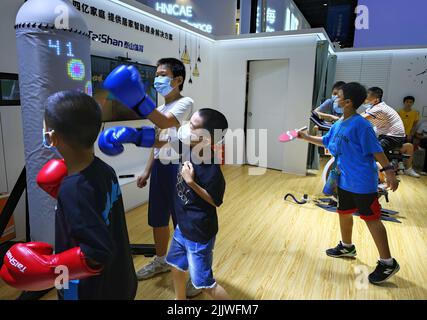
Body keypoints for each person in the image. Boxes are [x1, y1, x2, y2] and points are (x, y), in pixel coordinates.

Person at [1, 91, 137, 299]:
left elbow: (96, 253)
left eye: (44, 127)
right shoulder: (104, 170)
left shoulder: (73, 189)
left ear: (52, 138)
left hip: (90, 291)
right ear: (99, 128)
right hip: (120, 278)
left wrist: (49, 268)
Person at [99, 58, 198, 296]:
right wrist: (146, 169)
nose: (157, 79)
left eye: (162, 74)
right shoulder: (159, 108)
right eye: (156, 74)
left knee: (182, 222)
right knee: (157, 219)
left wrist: (136, 98)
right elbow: (158, 143)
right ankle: (162, 259)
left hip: (179, 168)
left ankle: (196, 273)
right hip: (162, 169)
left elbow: (164, 124)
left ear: (178, 80)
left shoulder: (185, 103)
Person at [298, 82, 400, 284]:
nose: (335, 98)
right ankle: (346, 246)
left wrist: (389, 172)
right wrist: (306, 137)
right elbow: (327, 141)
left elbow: (376, 150)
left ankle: (388, 262)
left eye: (338, 96)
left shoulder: (362, 125)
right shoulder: (339, 124)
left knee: (371, 218)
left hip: (362, 182)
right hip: (344, 179)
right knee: (343, 213)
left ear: (348, 102)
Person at [165, 108, 231, 300]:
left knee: (205, 284)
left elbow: (215, 200)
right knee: (176, 265)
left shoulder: (210, 166)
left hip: (198, 232)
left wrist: (191, 182)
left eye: (192, 126)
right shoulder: (189, 148)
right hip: (182, 226)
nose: (186, 128)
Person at [362, 87, 420, 178]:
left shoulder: (379, 108)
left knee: (375, 152)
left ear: (376, 99)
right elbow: (360, 117)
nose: (364, 99)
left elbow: (359, 119)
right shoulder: (373, 107)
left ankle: (384, 175)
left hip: (392, 136)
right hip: (388, 135)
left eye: (367, 97)